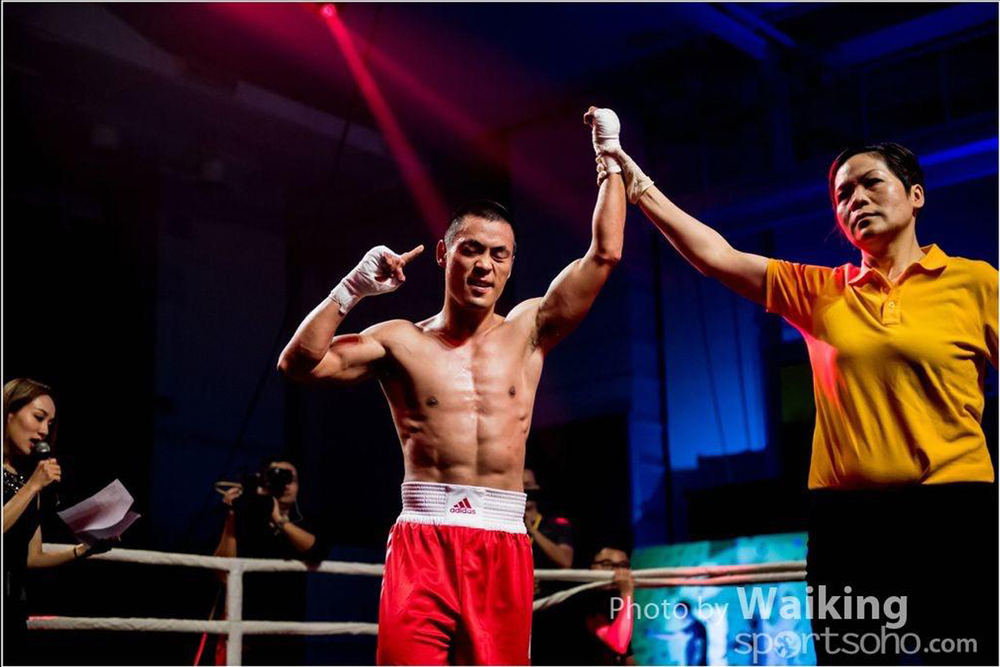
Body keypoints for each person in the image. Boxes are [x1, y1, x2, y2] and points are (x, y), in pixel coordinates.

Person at [595, 113, 998, 665]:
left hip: (953, 512)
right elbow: (719, 257)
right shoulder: (821, 292)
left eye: (870, 182)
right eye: (842, 193)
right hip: (849, 524)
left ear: (915, 195)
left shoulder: (976, 283)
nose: (855, 198)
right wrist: (639, 186)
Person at [278, 108, 627, 665]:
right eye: (471, 249)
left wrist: (607, 155)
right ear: (444, 254)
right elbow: (298, 365)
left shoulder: (531, 330)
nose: (484, 265)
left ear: (511, 267)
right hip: (424, 539)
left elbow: (604, 254)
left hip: (503, 542)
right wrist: (351, 290)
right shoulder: (399, 341)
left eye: (499, 254)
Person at [3, 378, 108, 665]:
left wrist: (82, 550)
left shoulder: (27, 481)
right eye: (38, 418)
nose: (44, 431)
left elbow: (32, 557)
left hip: (12, 610)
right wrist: (33, 487)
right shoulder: (30, 486)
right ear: (8, 412)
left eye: (50, 423)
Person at [213, 457, 324, 666]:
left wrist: (278, 519)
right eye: (277, 477)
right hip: (246, 628)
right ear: (264, 483)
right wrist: (232, 515)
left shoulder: (304, 522)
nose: (285, 484)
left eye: (291, 478)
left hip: (287, 631)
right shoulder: (246, 518)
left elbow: (317, 550)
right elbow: (221, 571)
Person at [523, 468, 574, 597]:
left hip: (550, 599)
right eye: (520, 485)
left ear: (537, 488)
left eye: (528, 485)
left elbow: (565, 561)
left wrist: (532, 531)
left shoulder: (556, 525)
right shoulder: (506, 526)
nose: (525, 490)